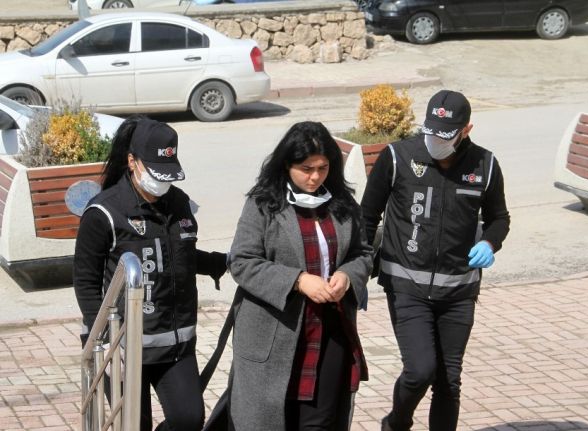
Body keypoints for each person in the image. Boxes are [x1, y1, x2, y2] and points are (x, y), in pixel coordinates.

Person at [361, 90, 511, 431]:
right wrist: (359, 265)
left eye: (445, 135)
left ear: (466, 130)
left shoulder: (484, 165)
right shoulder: (398, 157)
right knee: (420, 370)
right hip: (406, 285)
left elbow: (500, 217)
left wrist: (490, 242)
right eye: (431, 131)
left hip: (459, 291)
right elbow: (366, 217)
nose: (435, 141)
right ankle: (397, 422)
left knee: (448, 380)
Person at [73, 116, 228, 431]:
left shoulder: (180, 204)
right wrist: (101, 335)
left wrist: (219, 262)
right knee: (133, 425)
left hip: (174, 343)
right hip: (122, 347)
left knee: (188, 420)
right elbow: (86, 280)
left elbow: (178, 255)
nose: (162, 183)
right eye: (156, 173)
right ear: (132, 162)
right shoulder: (103, 212)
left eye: (168, 174)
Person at [227, 121, 373, 430]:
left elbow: (362, 253)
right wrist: (297, 280)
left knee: (320, 421)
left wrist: (347, 276)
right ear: (287, 165)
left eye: (322, 168)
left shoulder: (342, 203)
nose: (315, 176)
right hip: (276, 332)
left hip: (330, 329)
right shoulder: (263, 204)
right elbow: (241, 261)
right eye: (306, 168)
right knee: (274, 418)